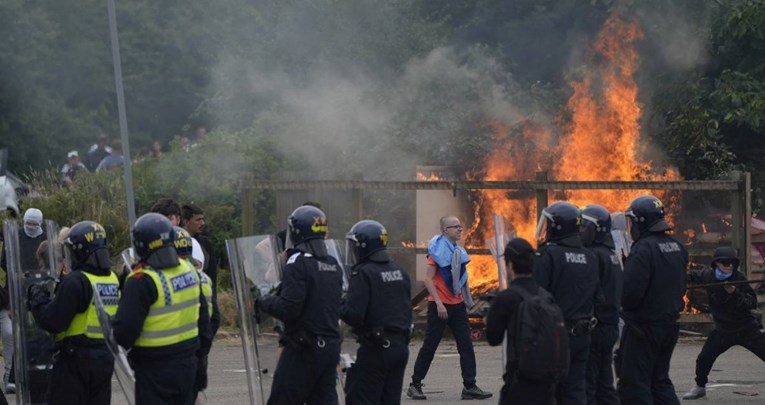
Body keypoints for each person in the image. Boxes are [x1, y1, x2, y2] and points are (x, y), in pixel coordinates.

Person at [112, 213, 212, 405]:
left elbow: (124, 334)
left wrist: (111, 325)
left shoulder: (141, 280)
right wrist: (200, 365)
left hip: (154, 371)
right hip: (188, 364)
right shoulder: (188, 269)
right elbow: (204, 325)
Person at [257, 205, 343, 405]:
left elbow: (289, 308)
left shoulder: (297, 261)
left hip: (303, 348)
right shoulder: (332, 263)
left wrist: (265, 301)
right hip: (329, 347)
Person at [27, 221, 117, 405]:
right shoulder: (112, 279)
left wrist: (37, 297)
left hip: (76, 360)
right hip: (104, 358)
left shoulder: (76, 281)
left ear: (79, 251)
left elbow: (52, 321)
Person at [407, 216, 492, 401]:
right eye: (456, 227)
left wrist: (465, 300)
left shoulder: (458, 251)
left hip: (457, 306)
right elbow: (428, 279)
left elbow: (460, 280)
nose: (460, 230)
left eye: (461, 227)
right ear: (445, 230)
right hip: (440, 306)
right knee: (430, 346)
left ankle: (470, 386)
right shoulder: (437, 251)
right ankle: (415, 384)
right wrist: (438, 302)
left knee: (466, 346)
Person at [618, 195, 688, 405]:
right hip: (669, 326)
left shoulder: (643, 249)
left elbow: (630, 294)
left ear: (641, 222)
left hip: (643, 329)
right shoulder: (677, 247)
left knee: (635, 385)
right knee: (659, 382)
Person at [533, 201, 601, 405]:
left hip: (554, 336)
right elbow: (598, 296)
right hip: (583, 335)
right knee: (575, 390)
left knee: (548, 391)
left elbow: (537, 294)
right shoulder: (590, 256)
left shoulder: (548, 255)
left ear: (557, 226)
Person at [340, 220, 411, 405]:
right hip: (400, 348)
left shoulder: (363, 273)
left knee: (360, 399)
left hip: (376, 351)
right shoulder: (400, 271)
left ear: (364, 246)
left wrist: (336, 304)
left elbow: (354, 315)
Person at [682, 247, 765, 400]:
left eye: (732, 263)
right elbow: (690, 276)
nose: (729, 266)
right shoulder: (708, 276)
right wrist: (680, 279)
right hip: (723, 329)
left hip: (746, 327)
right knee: (704, 358)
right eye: (725, 263)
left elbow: (751, 302)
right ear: (716, 264)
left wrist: (734, 293)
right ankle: (700, 387)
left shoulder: (739, 278)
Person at [486, 237, 558, 405]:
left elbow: (493, 338)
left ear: (510, 265)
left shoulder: (507, 298)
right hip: (547, 381)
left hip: (519, 378)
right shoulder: (546, 296)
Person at [0, 207, 47, 394]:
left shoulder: (44, 240)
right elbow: (6, 261)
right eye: (28, 224)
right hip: (17, 290)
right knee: (16, 335)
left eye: (35, 225)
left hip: (38, 288)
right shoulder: (15, 237)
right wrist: (16, 273)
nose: (31, 227)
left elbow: (47, 261)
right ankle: (11, 375)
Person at [580, 204, 622, 405]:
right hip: (609, 326)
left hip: (596, 328)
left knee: (588, 385)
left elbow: (587, 291)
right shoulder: (609, 253)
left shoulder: (594, 255)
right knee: (605, 385)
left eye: (583, 226)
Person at [172, 226, 214, 401]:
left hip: (175, 353)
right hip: (197, 349)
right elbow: (214, 317)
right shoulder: (203, 277)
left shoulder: (169, 278)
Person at [181, 203, 220, 335]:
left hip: (206, 301)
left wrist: (213, 301)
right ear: (186, 222)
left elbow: (212, 275)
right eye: (198, 220)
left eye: (203, 219)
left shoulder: (205, 243)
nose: (202, 223)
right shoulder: (176, 242)